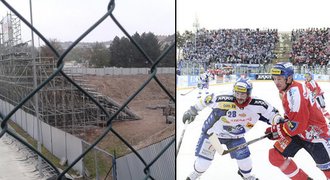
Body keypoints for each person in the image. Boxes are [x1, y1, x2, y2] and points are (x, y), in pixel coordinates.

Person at [182, 78, 284, 180]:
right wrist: (192, 111)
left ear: (249, 93)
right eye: (237, 93)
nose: (239, 97)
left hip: (236, 137)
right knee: (202, 164)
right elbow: (205, 100)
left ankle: (247, 176)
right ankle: (196, 173)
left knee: (246, 163)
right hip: (212, 134)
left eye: (243, 94)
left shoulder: (258, 104)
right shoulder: (222, 98)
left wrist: (279, 121)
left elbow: (273, 114)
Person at [265, 62, 330, 180]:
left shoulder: (295, 92)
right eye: (274, 79)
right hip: (299, 134)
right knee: (275, 156)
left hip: (316, 136)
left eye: (279, 78)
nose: (276, 82)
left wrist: (278, 130)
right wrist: (280, 125)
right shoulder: (287, 90)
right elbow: (293, 119)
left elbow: (297, 126)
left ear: (289, 78)